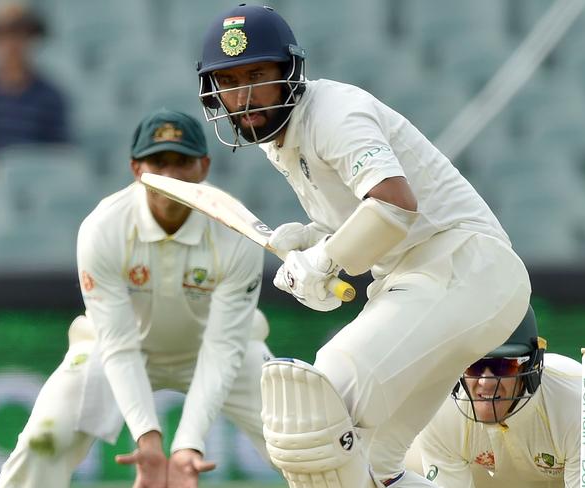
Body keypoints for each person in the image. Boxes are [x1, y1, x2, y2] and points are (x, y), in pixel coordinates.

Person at [195, 5, 531, 487]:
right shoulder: (280, 139)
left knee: (319, 400)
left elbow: (395, 206)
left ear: (289, 73)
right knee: (372, 468)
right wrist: (313, 240)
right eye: (229, 81)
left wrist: (326, 260)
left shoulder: (334, 113)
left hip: (462, 266)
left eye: (257, 75)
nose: (244, 96)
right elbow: (367, 221)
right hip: (435, 279)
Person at [0, 108, 272, 488]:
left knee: (308, 439)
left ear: (203, 167)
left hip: (228, 351)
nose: (171, 176)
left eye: (182, 162)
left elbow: (223, 348)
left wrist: (188, 444)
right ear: (136, 168)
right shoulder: (104, 227)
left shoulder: (236, 227)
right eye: (159, 162)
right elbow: (119, 346)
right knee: (44, 442)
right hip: (115, 351)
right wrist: (149, 438)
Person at [404, 305, 585, 487]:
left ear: (531, 365)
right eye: (473, 365)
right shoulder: (440, 411)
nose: (486, 382)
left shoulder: (580, 404)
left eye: (503, 365)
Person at [0, 1, 69, 157]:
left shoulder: (51, 97)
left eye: (19, 33)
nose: (11, 43)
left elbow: (59, 156)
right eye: (4, 34)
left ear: (31, 38)